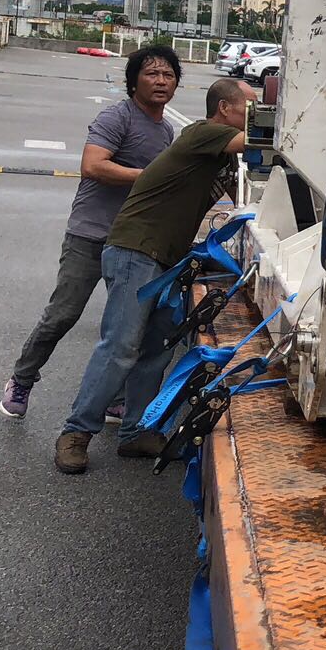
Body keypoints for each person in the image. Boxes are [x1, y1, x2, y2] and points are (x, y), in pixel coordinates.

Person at [54, 77, 254, 475]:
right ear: (225, 110)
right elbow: (255, 142)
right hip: (137, 248)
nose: (259, 114)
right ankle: (75, 433)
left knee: (158, 346)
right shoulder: (203, 134)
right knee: (122, 345)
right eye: (252, 107)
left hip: (167, 257)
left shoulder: (225, 155)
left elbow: (252, 193)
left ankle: (135, 433)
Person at [0, 46, 179, 418]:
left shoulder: (166, 131)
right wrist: (151, 177)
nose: (161, 81)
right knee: (63, 314)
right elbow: (92, 166)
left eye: (168, 75)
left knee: (124, 327)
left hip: (132, 242)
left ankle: (113, 398)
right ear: (133, 82)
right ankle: (22, 379)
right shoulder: (117, 117)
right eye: (152, 74)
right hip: (90, 234)